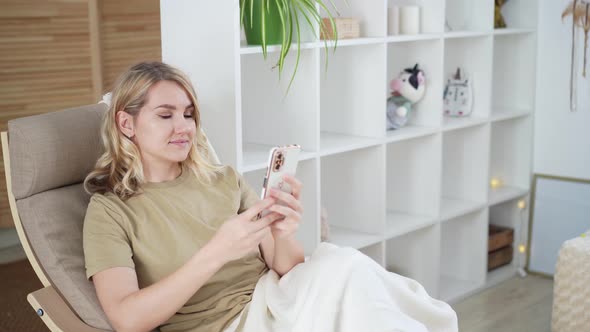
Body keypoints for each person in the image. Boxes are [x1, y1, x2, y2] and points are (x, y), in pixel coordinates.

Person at [84, 61, 458, 332]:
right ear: (126, 123)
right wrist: (217, 252)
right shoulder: (110, 211)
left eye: (188, 114)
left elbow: (288, 267)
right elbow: (127, 319)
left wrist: (282, 231)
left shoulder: (223, 179)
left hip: (277, 298)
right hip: (225, 325)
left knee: (343, 265)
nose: (184, 127)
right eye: (165, 115)